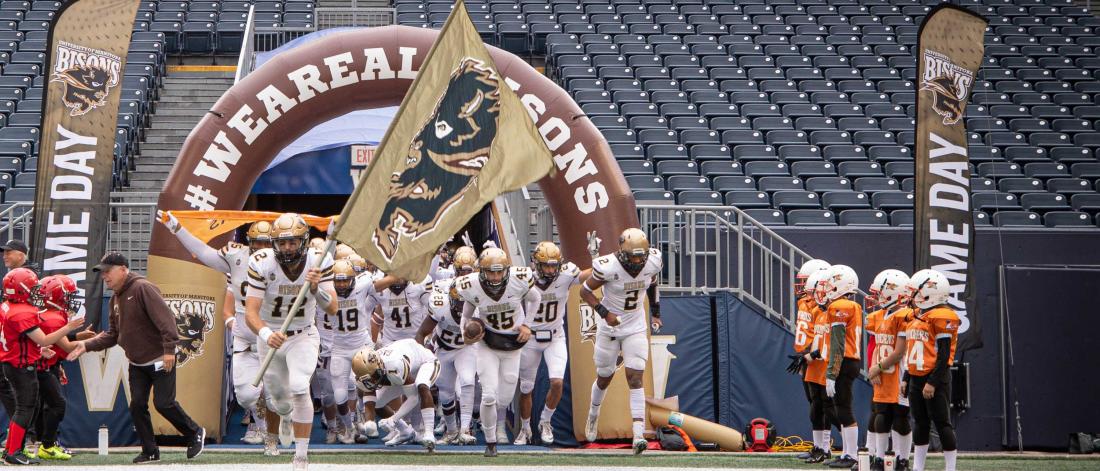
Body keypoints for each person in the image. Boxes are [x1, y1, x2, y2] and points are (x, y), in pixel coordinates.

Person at [68, 253, 205, 464]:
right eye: (102, 272)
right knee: (137, 405)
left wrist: (169, 349)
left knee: (164, 403)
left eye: (108, 271)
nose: (104, 276)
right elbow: (113, 335)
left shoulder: (143, 288)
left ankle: (194, 432)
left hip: (160, 357)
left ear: (123, 269)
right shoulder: (115, 298)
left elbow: (166, 319)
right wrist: (86, 345)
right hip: (137, 362)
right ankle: (150, 450)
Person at [158, 212, 274, 445]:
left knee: (279, 394)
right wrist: (177, 228)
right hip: (244, 337)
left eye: (265, 243)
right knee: (245, 394)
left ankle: (272, 431)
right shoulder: (237, 257)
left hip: (271, 335)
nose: (261, 248)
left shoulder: (282, 261)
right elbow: (203, 252)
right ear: (248, 243)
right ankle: (263, 426)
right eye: (257, 243)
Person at [244, 213, 336, 470]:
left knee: (298, 387)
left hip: (303, 335)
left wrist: (317, 290)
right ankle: (285, 417)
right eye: (282, 243)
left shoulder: (320, 260)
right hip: (270, 336)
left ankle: (301, 456)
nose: (287, 248)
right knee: (278, 401)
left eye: (293, 242)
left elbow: (332, 309)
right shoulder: (261, 262)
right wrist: (265, 334)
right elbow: (251, 311)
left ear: (304, 241)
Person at [579, 228, 663, 455]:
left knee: (635, 377)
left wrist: (655, 312)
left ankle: (638, 434)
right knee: (604, 376)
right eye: (633, 256)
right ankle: (593, 415)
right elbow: (584, 292)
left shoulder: (652, 261)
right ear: (623, 253)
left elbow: (653, 285)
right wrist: (605, 313)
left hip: (635, 326)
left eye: (640, 256)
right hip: (609, 327)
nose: (637, 261)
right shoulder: (608, 266)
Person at [456, 247, 540, 457]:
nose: (495, 276)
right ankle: (491, 442)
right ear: (482, 271)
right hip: (488, 342)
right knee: (489, 396)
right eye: (490, 272)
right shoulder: (471, 285)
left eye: (499, 271)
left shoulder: (519, 280)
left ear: (506, 270)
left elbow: (536, 298)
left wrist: (528, 325)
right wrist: (465, 335)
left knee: (504, 398)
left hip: (513, 344)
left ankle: (491, 431)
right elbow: (466, 317)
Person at [0, 269, 81, 465]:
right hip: (20, 366)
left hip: (15, 361)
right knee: (25, 408)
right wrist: (68, 328)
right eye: (34, 288)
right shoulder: (22, 313)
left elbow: (21, 339)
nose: (37, 292)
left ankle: (10, 450)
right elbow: (44, 338)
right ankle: (12, 453)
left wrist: (39, 350)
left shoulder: (8, 306)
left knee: (26, 408)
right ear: (21, 290)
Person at [515, 241, 589, 445]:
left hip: (555, 335)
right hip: (530, 337)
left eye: (553, 265)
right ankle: (525, 427)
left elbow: (586, 276)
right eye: (546, 265)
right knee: (526, 388)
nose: (550, 269)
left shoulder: (565, 274)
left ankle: (545, 421)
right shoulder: (523, 278)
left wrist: (595, 257)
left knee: (557, 382)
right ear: (536, 264)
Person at [326, 259, 398, 443]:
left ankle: (374, 421)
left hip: (362, 345)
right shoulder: (327, 291)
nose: (341, 284)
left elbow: (382, 283)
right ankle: (349, 427)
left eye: (345, 280)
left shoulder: (363, 283)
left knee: (371, 386)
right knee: (340, 395)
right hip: (339, 348)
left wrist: (397, 274)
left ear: (353, 279)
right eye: (338, 280)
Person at [414, 246, 479, 445]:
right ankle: (451, 431)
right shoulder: (441, 301)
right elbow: (422, 332)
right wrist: (423, 356)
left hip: (465, 348)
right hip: (444, 348)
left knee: (468, 382)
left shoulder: (478, 295)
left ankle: (466, 429)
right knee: (446, 392)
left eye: (465, 303)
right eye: (458, 303)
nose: (462, 308)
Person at [901, 269, 960, 471]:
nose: (912, 296)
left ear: (930, 293)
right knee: (920, 423)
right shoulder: (916, 316)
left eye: (915, 292)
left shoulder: (943, 316)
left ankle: (950, 468)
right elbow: (912, 351)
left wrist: (932, 382)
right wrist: (906, 377)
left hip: (935, 377)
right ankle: (918, 467)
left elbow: (944, 356)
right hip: (916, 376)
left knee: (942, 423)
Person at [30, 275, 84, 461]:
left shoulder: (48, 313)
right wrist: (100, 340)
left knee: (39, 407)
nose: (71, 300)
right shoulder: (54, 318)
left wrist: (78, 336)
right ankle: (47, 444)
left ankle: (45, 443)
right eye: (68, 296)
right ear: (58, 296)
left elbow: (58, 344)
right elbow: (67, 348)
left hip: (43, 366)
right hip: (40, 368)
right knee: (55, 405)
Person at [352, 339, 440, 451]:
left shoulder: (394, 365)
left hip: (425, 362)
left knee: (421, 385)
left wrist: (394, 418)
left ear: (379, 365)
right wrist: (369, 421)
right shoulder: (366, 371)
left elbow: (413, 398)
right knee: (378, 403)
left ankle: (429, 434)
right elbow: (370, 399)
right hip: (401, 371)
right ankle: (405, 432)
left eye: (373, 376)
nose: (372, 381)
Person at [866, 270, 915, 471]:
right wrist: (873, 368)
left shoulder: (904, 315)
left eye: (880, 292)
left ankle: (902, 460)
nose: (877, 297)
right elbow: (874, 345)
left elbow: (900, 351)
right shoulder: (878, 315)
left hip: (899, 372)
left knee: (900, 416)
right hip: (882, 374)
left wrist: (876, 367)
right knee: (880, 414)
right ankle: (879, 458)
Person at [786, 259, 830, 461]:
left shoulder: (822, 307)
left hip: (817, 358)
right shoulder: (804, 302)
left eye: (806, 282)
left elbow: (820, 335)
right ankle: (818, 446)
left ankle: (825, 447)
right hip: (806, 356)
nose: (802, 286)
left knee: (822, 405)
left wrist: (809, 354)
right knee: (813, 404)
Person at [819, 264, 862, 468]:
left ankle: (852, 455)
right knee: (841, 408)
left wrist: (831, 372)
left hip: (844, 361)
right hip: (849, 360)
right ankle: (846, 452)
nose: (827, 288)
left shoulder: (841, 307)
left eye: (830, 284)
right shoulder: (851, 306)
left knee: (844, 409)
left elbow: (837, 344)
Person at [802, 269, 840, 464]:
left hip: (826, 365)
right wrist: (807, 355)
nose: (819, 295)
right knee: (816, 408)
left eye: (823, 291)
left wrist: (814, 354)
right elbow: (815, 339)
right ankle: (820, 448)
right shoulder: (816, 311)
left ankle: (848, 447)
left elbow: (834, 342)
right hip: (814, 366)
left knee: (832, 410)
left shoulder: (838, 311)